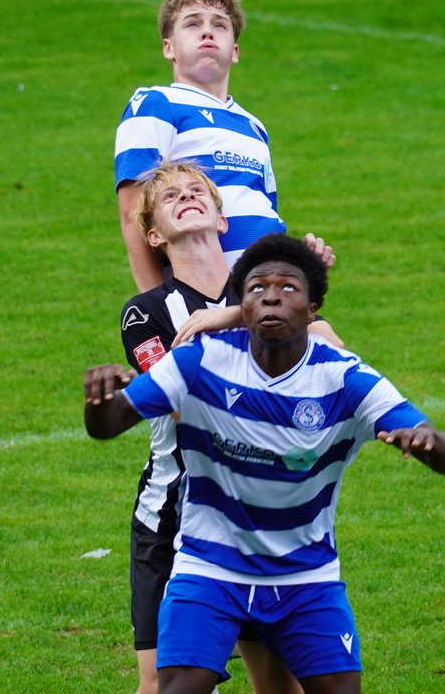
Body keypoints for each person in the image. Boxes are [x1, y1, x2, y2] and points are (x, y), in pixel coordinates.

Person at [84, 234, 445, 694]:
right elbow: (109, 424)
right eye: (257, 288)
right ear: (241, 306)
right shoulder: (200, 361)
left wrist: (429, 443)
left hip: (305, 577)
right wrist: (99, 400)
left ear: (312, 307)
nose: (270, 296)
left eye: (288, 287)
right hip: (209, 568)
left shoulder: (345, 378)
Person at [118, 161, 313, 694]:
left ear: (222, 220)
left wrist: (232, 315)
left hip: (257, 515)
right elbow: (183, 400)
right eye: (170, 197)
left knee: (280, 685)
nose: (186, 197)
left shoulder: (263, 292)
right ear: (154, 237)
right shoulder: (144, 313)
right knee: (163, 684)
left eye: (195, 191)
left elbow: (331, 351)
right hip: (173, 516)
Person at [115, 0, 284, 292]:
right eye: (192, 24)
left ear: (235, 51)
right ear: (168, 47)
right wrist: (160, 305)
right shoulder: (156, 103)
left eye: (219, 25)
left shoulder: (253, 126)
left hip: (268, 293)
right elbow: (132, 213)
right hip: (204, 298)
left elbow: (266, 212)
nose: (207, 32)